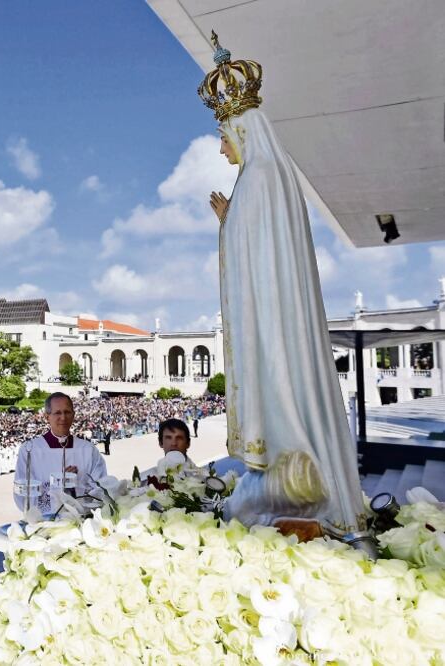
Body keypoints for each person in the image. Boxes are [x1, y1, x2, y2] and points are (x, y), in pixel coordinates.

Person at [203, 32, 363, 531]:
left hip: (270, 320)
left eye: (225, 136)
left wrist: (229, 226)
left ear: (243, 132)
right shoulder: (272, 178)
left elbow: (255, 261)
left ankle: (296, 485)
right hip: (278, 311)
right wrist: (232, 222)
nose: (222, 147)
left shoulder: (256, 180)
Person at [13, 393, 107, 515]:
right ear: (47, 417)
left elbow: (101, 489)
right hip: (43, 521)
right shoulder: (30, 450)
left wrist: (74, 487)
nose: (63, 417)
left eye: (67, 412)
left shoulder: (88, 450)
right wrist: (58, 484)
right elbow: (22, 495)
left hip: (82, 519)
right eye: (57, 413)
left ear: (73, 415)